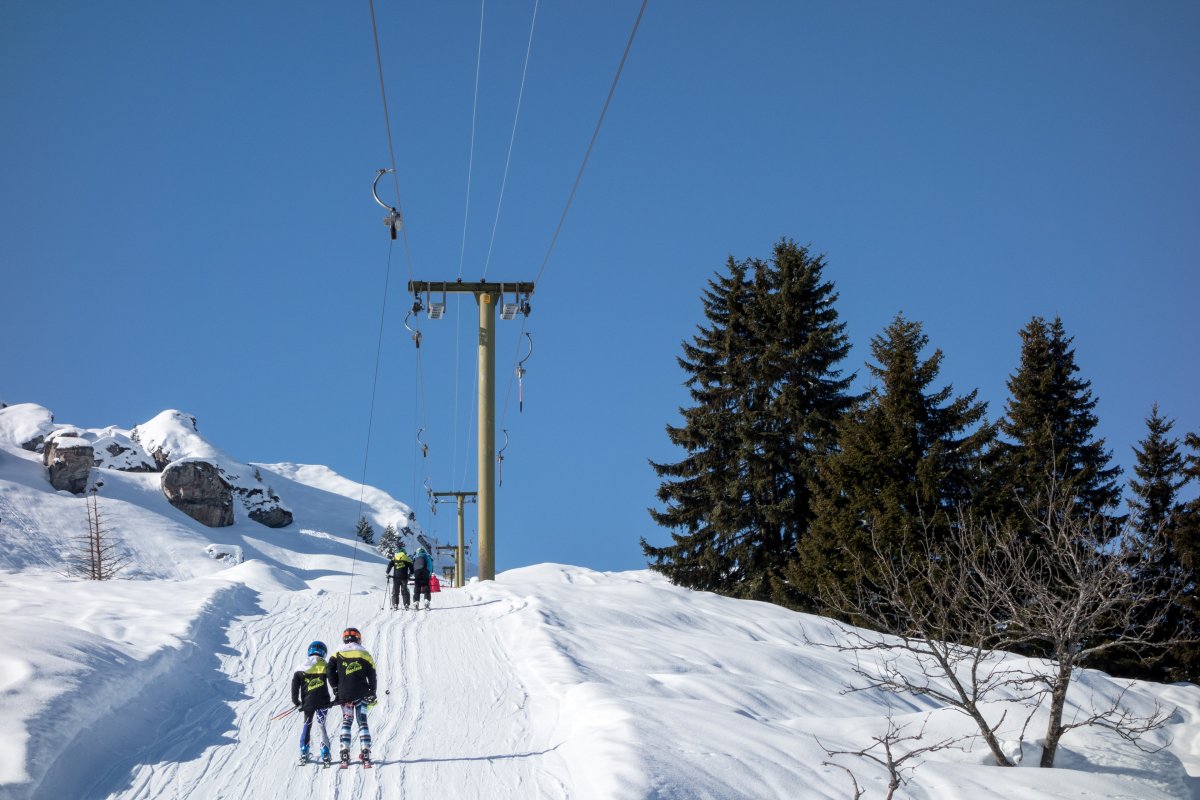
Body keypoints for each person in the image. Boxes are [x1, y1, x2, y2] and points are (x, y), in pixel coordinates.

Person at [328, 626, 377, 767]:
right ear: (358, 638)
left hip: (345, 695)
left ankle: (344, 752)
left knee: (347, 721)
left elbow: (329, 669)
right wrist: (373, 691)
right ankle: (366, 752)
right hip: (362, 693)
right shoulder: (364, 653)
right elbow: (372, 674)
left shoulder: (337, 652)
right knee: (362, 722)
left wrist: (335, 688)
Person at [290, 640, 333, 766]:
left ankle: (304, 751)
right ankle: (325, 752)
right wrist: (337, 695)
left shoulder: (300, 667)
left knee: (307, 725)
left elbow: (294, 688)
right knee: (321, 725)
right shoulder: (324, 665)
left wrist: (296, 702)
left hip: (307, 703)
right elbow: (332, 680)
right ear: (323, 653)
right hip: (323, 702)